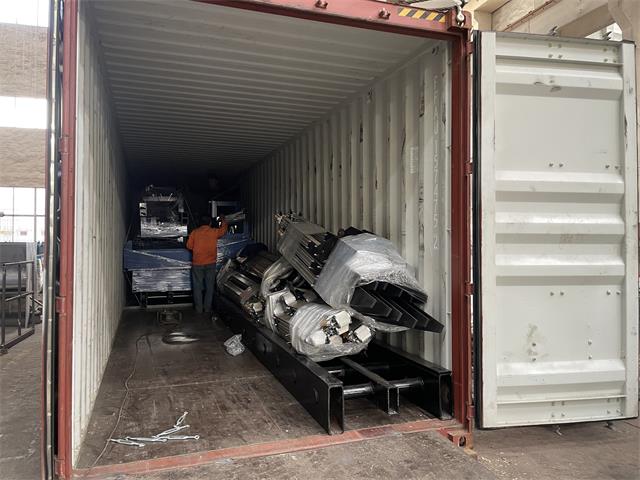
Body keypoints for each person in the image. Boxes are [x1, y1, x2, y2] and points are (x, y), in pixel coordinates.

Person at [186, 215, 227, 314]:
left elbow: (189, 246)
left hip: (197, 264)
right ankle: (207, 309)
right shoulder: (214, 232)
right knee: (209, 287)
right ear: (210, 223)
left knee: (197, 287)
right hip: (210, 263)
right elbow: (223, 230)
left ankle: (199, 309)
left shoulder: (195, 232)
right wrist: (223, 220)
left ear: (200, 223)